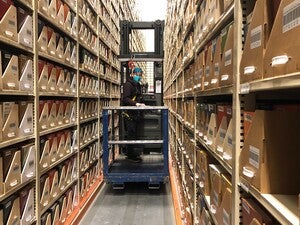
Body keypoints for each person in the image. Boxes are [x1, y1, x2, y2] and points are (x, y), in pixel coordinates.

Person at [121, 67, 145, 162]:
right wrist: (136, 104)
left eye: (140, 75)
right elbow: (125, 99)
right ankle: (130, 155)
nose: (138, 77)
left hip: (135, 113)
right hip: (129, 114)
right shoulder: (128, 84)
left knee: (134, 134)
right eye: (137, 75)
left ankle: (133, 154)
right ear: (132, 74)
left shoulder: (137, 85)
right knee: (131, 134)